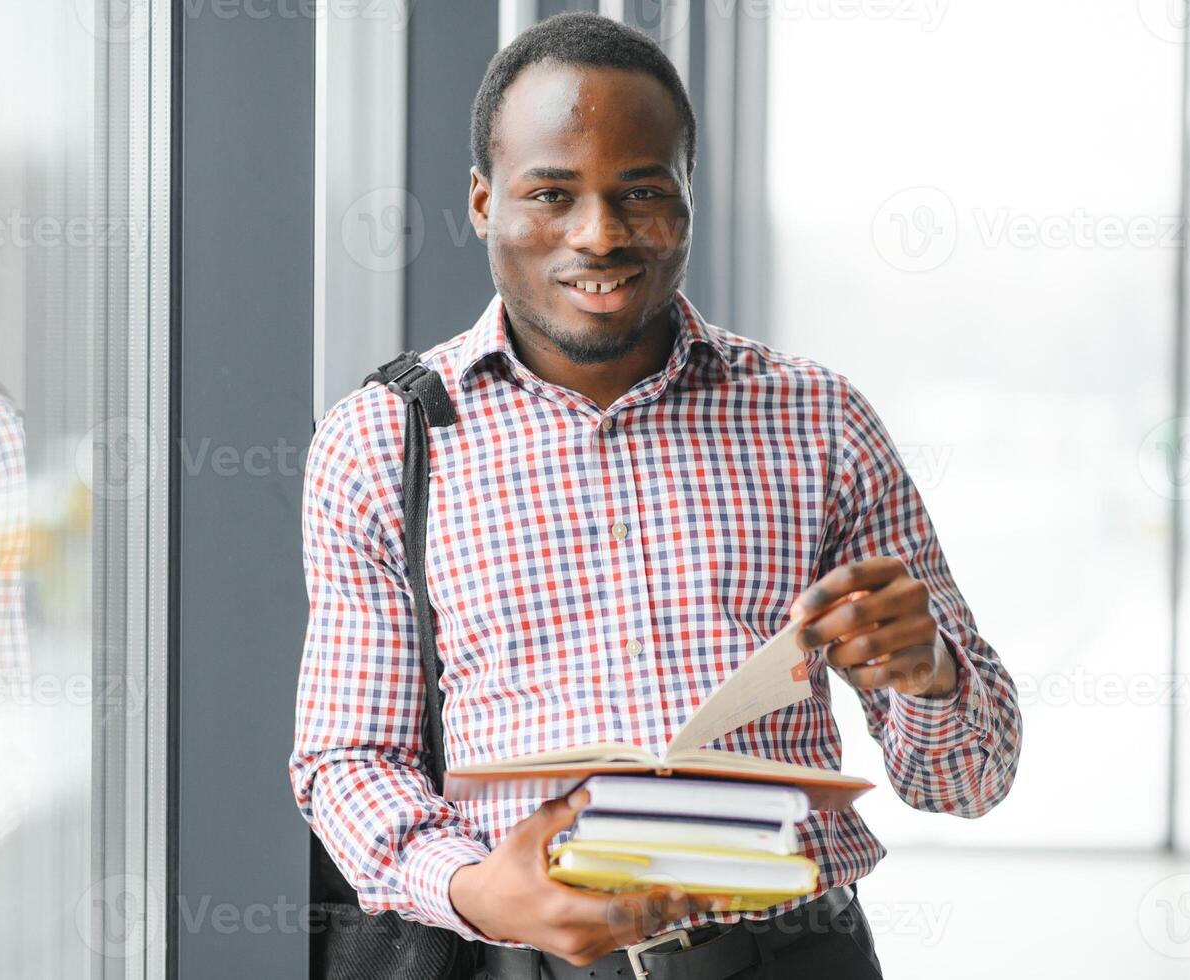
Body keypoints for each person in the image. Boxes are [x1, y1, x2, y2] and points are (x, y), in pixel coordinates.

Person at [290, 12, 1021, 978]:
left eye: (641, 193)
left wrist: (927, 672)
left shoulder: (820, 420)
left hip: (794, 956)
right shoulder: (383, 440)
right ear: (481, 201)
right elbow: (347, 760)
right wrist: (473, 888)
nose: (598, 235)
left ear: (685, 201)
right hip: (517, 961)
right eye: (551, 193)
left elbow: (966, 784)